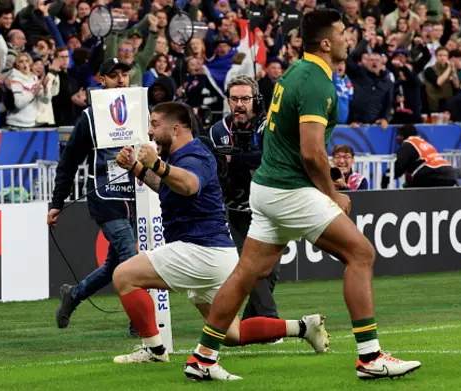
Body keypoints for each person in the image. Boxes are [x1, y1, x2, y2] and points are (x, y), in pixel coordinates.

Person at [184, 10, 421, 381]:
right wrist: (332, 195)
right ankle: (370, 357)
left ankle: (202, 357)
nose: (349, 38)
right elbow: (312, 152)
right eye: (343, 32)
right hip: (288, 189)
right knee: (360, 253)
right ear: (326, 43)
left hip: (267, 187)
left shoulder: (297, 70)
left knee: (248, 272)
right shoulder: (315, 82)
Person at [110, 101, 330, 372]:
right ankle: (304, 327)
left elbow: (189, 185)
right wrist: (138, 169)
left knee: (124, 276)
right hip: (214, 255)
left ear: (176, 128)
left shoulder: (194, 156)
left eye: (155, 124)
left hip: (200, 251)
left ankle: (154, 350)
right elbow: (170, 187)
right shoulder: (182, 156)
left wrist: (156, 163)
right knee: (231, 334)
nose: (150, 132)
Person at [50, 58, 138, 337]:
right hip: (105, 198)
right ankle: (141, 320)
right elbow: (68, 162)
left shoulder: (138, 109)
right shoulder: (90, 117)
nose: (121, 79)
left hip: (134, 198)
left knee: (113, 265)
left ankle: (73, 296)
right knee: (131, 257)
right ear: (101, 80)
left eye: (125, 74)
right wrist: (56, 203)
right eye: (114, 76)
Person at [209, 75, 281, 326]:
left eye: (245, 99)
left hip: (268, 207)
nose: (239, 104)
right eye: (234, 99)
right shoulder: (217, 130)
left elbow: (269, 157)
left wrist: (233, 160)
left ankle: (252, 323)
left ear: (256, 100)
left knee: (270, 271)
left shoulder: (268, 125)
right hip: (234, 209)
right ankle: (271, 323)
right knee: (251, 266)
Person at [381, 125, 457, 189]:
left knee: (408, 190)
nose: (396, 138)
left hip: (433, 173)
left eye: (398, 135)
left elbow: (399, 167)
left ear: (403, 135)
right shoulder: (423, 142)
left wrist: (386, 178)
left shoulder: (407, 143)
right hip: (449, 173)